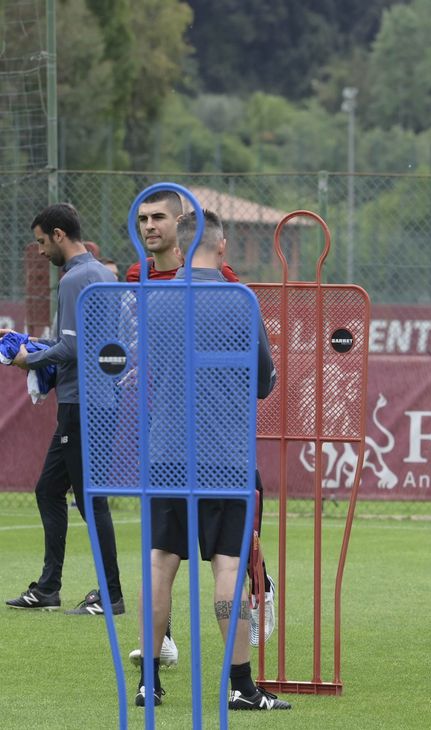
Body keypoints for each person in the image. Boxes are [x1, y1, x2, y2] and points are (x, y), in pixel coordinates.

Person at [136, 210, 289, 710]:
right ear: (222, 248)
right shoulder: (239, 301)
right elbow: (265, 379)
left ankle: (148, 681)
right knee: (228, 564)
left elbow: (144, 369)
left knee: (160, 563)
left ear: (180, 247)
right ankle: (240, 686)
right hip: (224, 452)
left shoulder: (153, 299)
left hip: (167, 450)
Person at [4, 204, 125, 617]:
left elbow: (73, 348)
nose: (39, 251)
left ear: (59, 235)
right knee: (48, 490)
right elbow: (87, 342)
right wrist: (28, 341)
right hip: (96, 400)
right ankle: (48, 588)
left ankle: (112, 595)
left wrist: (27, 359)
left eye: (41, 241)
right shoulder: (101, 274)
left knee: (92, 501)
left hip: (84, 404)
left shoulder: (75, 278)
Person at [127, 190, 239, 282]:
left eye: (158, 217)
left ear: (179, 222)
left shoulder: (215, 271)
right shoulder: (136, 274)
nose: (149, 226)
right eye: (143, 219)